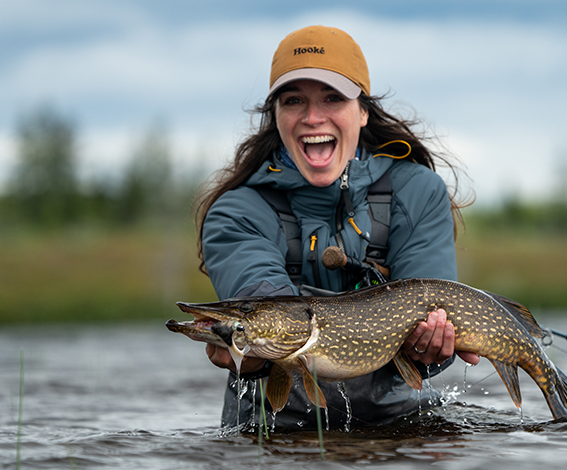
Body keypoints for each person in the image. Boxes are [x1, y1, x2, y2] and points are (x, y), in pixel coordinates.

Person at [195, 25, 478, 429]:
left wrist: (434, 347)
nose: (313, 117)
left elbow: (432, 324)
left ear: (363, 111)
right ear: (275, 116)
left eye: (332, 98)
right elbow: (262, 305)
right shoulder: (238, 210)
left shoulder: (417, 191)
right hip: (277, 429)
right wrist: (252, 350)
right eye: (294, 101)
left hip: (398, 427)